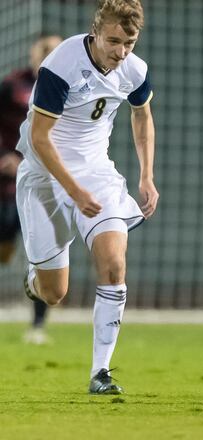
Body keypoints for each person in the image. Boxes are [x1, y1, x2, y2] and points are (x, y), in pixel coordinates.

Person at [17, 0, 157, 393]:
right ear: (95, 34)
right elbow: (41, 139)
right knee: (54, 292)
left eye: (129, 42)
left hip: (95, 174)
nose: (121, 51)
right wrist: (73, 191)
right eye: (113, 40)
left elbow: (142, 115)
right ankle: (35, 280)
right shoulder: (60, 66)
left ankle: (101, 373)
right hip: (45, 176)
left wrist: (147, 176)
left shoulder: (134, 68)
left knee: (114, 263)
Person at [0, 33, 63, 345]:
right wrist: (4, 156)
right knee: (5, 246)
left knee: (43, 253)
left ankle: (37, 327)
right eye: (46, 48)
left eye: (57, 48)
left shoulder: (70, 88)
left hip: (47, 184)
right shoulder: (12, 85)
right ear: (33, 52)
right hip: (7, 184)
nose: (51, 53)